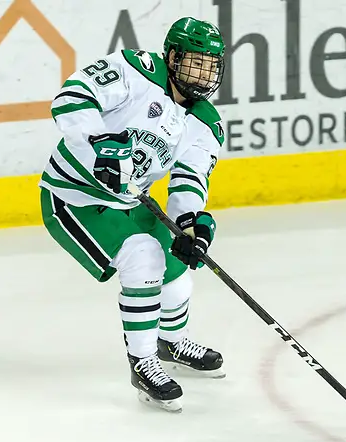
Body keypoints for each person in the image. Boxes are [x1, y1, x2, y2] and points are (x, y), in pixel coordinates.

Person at [38, 17, 226, 413]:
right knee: (143, 257)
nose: (203, 74)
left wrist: (190, 222)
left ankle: (170, 341)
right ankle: (143, 362)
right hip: (73, 198)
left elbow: (189, 178)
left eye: (211, 65)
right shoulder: (133, 69)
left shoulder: (206, 123)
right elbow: (73, 95)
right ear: (172, 57)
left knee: (176, 266)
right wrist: (98, 143)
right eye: (195, 62)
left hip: (128, 200)